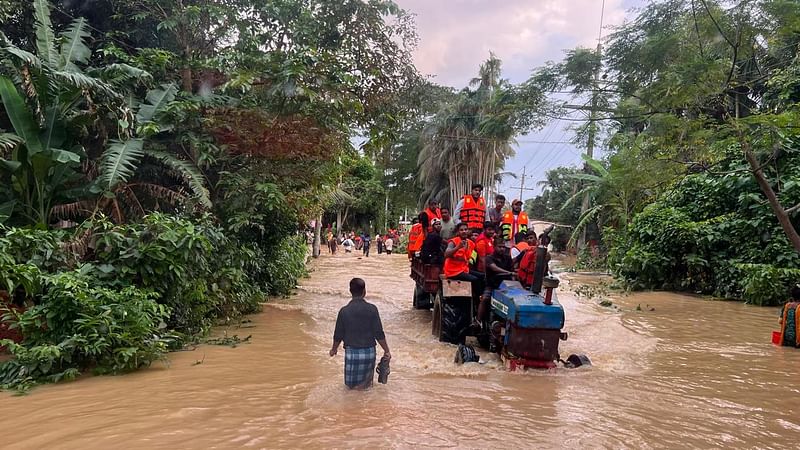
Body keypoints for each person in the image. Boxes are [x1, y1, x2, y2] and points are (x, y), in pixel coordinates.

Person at [330, 278, 391, 389]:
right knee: (367, 387)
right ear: (364, 291)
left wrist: (334, 349)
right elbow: (379, 333)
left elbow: (338, 334)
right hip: (369, 354)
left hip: (352, 354)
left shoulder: (344, 311)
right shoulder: (372, 309)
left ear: (350, 291)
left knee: (350, 389)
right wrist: (386, 350)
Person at [479, 235, 516, 323]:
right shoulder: (489, 258)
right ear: (494, 247)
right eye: (500, 247)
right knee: (485, 299)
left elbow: (513, 270)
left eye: (503, 247)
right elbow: (494, 268)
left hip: (506, 287)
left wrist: (513, 277)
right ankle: (478, 321)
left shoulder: (507, 258)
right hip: (492, 286)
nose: (502, 249)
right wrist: (509, 273)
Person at [444, 223, 484, 302]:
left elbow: (473, 258)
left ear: (468, 231)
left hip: (464, 269)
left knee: (483, 276)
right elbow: (446, 254)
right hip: (453, 271)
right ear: (458, 232)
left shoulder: (471, 243)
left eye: (465, 229)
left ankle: (481, 295)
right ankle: (479, 299)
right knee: (474, 279)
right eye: (461, 230)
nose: (464, 231)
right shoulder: (453, 242)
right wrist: (457, 247)